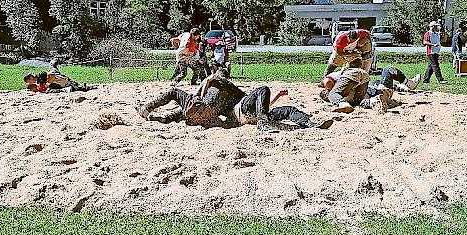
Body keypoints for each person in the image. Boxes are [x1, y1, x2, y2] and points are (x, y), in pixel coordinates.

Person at [135, 69, 332, 132]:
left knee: (288, 109)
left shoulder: (216, 88)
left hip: (246, 113)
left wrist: (277, 98)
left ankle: (312, 124)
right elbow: (197, 101)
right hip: (245, 113)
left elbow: (189, 107)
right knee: (263, 89)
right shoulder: (219, 90)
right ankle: (264, 124)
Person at [319, 59, 394, 114]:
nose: (327, 97)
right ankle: (374, 101)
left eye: (326, 95)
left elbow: (327, 82)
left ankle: (344, 104)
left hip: (351, 75)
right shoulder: (341, 86)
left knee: (334, 95)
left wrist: (331, 90)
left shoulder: (332, 83)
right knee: (357, 102)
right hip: (363, 76)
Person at [24, 59, 95, 93]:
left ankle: (53, 64)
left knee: (54, 72)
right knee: (53, 68)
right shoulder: (38, 80)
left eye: (28, 81)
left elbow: (51, 75)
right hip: (58, 78)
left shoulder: (39, 75)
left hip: (59, 79)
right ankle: (52, 64)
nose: (29, 83)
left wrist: (48, 84)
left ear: (30, 78)